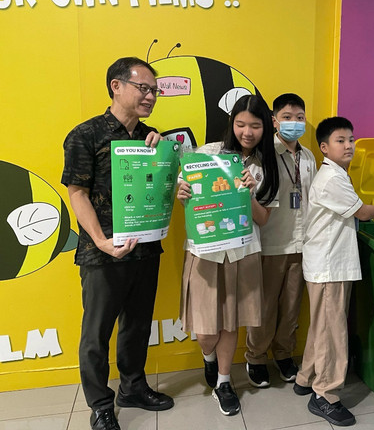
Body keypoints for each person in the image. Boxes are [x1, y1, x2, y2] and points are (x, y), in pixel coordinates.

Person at [61, 57, 174, 430]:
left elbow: (163, 189)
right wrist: (101, 241)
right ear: (116, 86)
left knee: (138, 324)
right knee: (96, 333)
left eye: (154, 91)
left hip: (145, 248)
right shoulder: (85, 135)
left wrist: (162, 155)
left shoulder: (150, 136)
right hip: (102, 252)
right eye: (144, 88)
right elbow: (76, 193)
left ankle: (133, 388)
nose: (151, 96)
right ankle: (100, 404)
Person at [294, 116, 374, 426]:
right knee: (333, 331)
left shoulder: (335, 175)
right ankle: (326, 396)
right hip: (330, 266)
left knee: (322, 325)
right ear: (324, 147)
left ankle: (306, 378)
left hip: (324, 263)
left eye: (351, 139)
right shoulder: (333, 178)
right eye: (340, 140)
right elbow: (363, 212)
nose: (349, 145)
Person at [176, 94, 279, 416]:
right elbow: (186, 199)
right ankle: (208, 357)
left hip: (242, 253)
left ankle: (223, 381)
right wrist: (182, 193)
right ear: (231, 124)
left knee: (231, 322)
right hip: (205, 252)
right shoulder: (206, 154)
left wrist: (247, 193)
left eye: (255, 126)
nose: (247, 132)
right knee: (207, 331)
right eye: (241, 124)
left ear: (265, 128)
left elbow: (263, 219)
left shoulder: (266, 167)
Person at [244, 93, 317, 387]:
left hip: (302, 246)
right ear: (274, 121)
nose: (294, 123)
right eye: (287, 117)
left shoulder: (310, 156)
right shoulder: (264, 155)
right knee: (264, 307)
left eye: (300, 118)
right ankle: (256, 357)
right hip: (270, 244)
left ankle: (284, 355)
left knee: (291, 307)